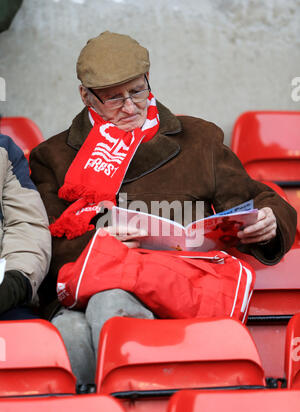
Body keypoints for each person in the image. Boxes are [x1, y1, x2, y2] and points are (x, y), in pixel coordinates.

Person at [30, 31, 297, 385]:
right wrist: (100, 244)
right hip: (91, 283)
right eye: (113, 98)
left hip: (178, 288)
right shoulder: (53, 156)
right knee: (70, 330)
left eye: (137, 91)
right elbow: (43, 240)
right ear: (86, 96)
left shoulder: (198, 139)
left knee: (105, 307)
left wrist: (268, 221)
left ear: (148, 81)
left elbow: (258, 199)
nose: (129, 107)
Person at [0, 133, 51, 320]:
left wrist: (16, 280)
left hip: (4, 299)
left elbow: (27, 225)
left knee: (33, 338)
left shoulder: (4, 150)